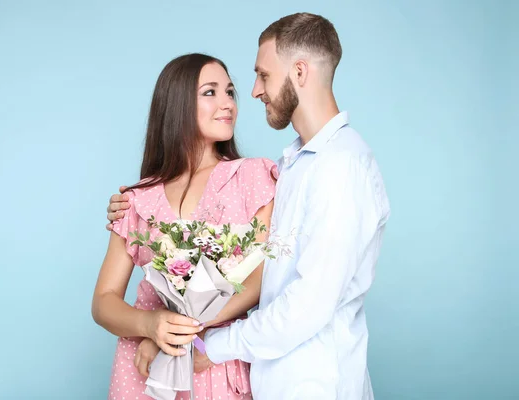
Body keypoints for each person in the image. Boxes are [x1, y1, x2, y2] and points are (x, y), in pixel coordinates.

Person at [106, 12, 391, 400]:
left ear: (300, 72)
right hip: (275, 380)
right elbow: (274, 275)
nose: (253, 91)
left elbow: (305, 305)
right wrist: (160, 327)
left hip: (317, 383)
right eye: (212, 91)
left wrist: (194, 340)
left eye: (263, 75)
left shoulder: (338, 166)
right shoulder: (295, 165)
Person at [91, 52, 277, 399]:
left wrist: (183, 334)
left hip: (213, 363)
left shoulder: (252, 178)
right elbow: (103, 301)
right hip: (142, 372)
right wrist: (150, 326)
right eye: (210, 92)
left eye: (230, 92)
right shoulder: (136, 199)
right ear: (176, 104)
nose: (228, 104)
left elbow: (257, 281)